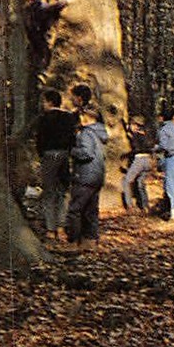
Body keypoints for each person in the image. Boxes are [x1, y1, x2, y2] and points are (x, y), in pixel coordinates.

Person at [29, 89, 78, 239]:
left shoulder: (43, 118)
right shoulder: (69, 117)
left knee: (49, 193)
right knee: (63, 192)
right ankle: (61, 227)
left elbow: (39, 140)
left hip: (49, 155)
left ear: (49, 102)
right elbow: (72, 139)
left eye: (44, 101)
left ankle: (51, 229)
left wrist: (41, 155)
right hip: (64, 155)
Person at [65, 105, 109, 248]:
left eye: (82, 116)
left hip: (85, 175)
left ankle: (73, 241)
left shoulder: (86, 133)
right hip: (97, 176)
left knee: (75, 210)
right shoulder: (100, 133)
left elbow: (87, 153)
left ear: (88, 117)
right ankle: (90, 241)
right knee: (90, 210)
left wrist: (72, 151)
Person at [121, 119, 155, 213]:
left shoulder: (136, 135)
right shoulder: (146, 134)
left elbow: (137, 148)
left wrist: (125, 155)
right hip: (149, 161)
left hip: (140, 160)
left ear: (135, 125)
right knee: (140, 182)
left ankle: (130, 206)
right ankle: (146, 206)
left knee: (126, 181)